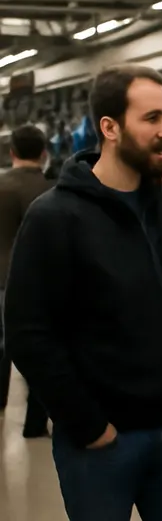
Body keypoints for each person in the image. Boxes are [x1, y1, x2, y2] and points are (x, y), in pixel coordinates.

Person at [4, 64, 162, 521]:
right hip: (101, 444)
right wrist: (86, 422)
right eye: (152, 119)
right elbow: (28, 331)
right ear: (110, 127)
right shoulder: (55, 217)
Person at [0, 124, 54, 437]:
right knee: (40, 349)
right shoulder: (53, 190)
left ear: (12, 152)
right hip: (39, 283)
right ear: (44, 153)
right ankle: (35, 423)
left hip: (0, 278)